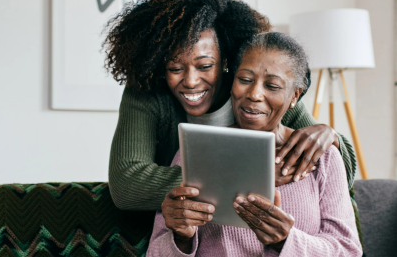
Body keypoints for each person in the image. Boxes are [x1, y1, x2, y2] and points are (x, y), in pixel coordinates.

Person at [103, 0, 359, 237]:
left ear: (226, 62)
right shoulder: (148, 90)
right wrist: (247, 175)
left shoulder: (256, 93)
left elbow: (339, 171)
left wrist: (331, 136)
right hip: (182, 228)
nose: (191, 81)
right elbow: (126, 184)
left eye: (205, 66)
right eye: (175, 68)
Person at [147, 32, 362, 256]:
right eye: (245, 80)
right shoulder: (195, 150)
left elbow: (348, 251)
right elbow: (155, 252)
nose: (254, 94)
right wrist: (181, 238)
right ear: (232, 83)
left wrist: (287, 241)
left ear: (295, 96)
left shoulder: (324, 157)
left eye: (272, 86)